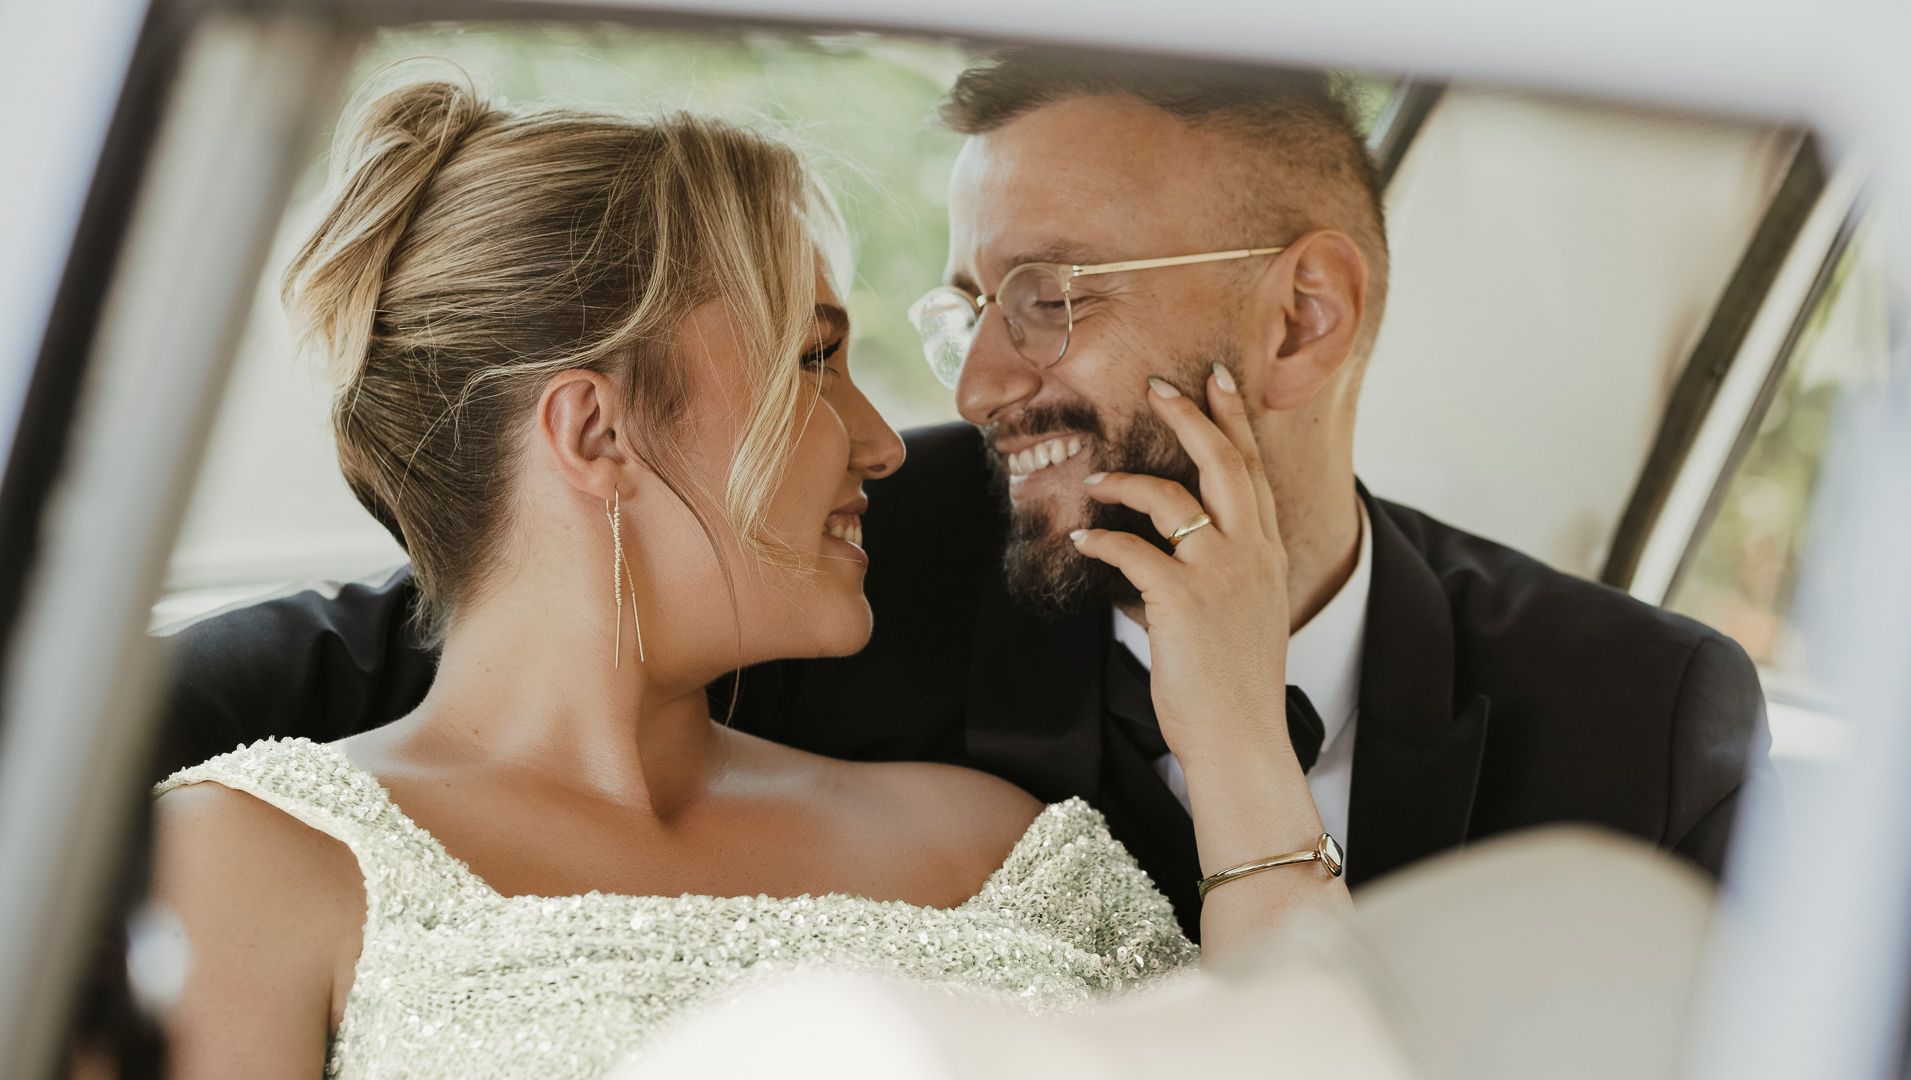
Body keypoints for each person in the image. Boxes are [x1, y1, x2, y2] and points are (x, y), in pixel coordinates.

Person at [155, 50, 1769, 941]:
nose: (976, 388)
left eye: (1052, 299)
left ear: (1304, 316)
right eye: (967, 303)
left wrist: (1235, 758)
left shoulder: (1643, 718)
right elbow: (461, 619)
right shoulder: (834, 558)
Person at [152, 80, 1345, 1079]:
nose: (885, 443)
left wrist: (1240, 746)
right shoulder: (247, 863)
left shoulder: (1001, 851)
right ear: (594, 432)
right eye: (814, 359)